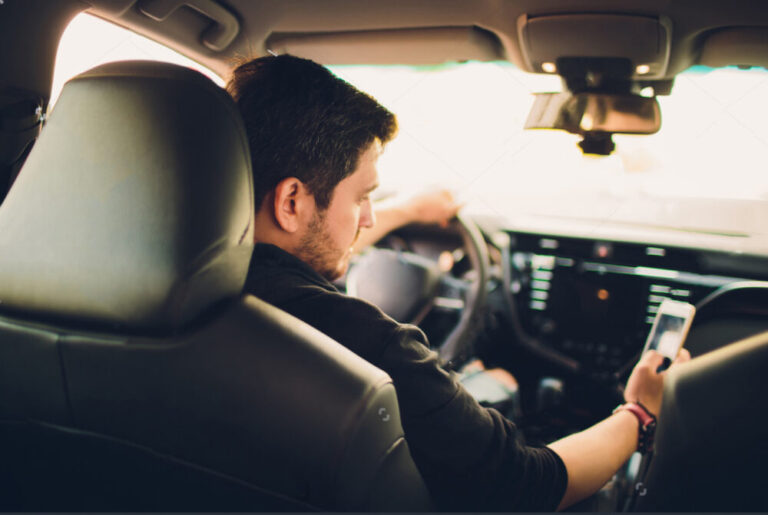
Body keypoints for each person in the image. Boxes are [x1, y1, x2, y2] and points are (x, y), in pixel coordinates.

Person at [227, 54, 690, 511]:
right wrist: (640, 413)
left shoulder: (187, 297)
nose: (368, 219)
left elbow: (312, 231)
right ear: (291, 201)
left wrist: (407, 210)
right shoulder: (372, 347)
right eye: (363, 196)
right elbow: (526, 486)